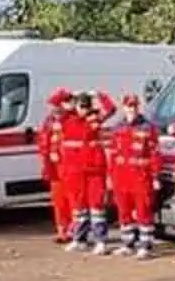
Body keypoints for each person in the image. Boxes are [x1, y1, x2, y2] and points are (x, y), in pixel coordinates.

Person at [108, 94, 161, 259]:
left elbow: (154, 154)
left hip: (141, 176)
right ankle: (127, 244)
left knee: (143, 210)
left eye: (135, 106)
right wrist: (110, 176)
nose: (132, 109)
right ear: (124, 107)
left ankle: (145, 245)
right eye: (129, 106)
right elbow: (113, 153)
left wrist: (155, 177)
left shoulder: (148, 128)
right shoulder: (117, 127)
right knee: (124, 211)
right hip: (121, 176)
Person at [63, 91, 117, 253]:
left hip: (94, 170)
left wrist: (99, 94)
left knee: (97, 207)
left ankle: (101, 241)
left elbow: (111, 109)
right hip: (76, 171)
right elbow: (55, 100)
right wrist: (71, 96)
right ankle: (79, 239)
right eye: (81, 106)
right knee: (79, 208)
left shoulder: (94, 119)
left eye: (86, 106)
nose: (84, 110)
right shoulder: (68, 120)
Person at [39, 89, 74, 243]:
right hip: (55, 167)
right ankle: (62, 231)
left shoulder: (72, 120)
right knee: (59, 201)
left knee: (72, 199)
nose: (54, 109)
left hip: (70, 166)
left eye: (57, 105)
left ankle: (74, 231)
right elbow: (43, 141)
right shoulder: (49, 121)